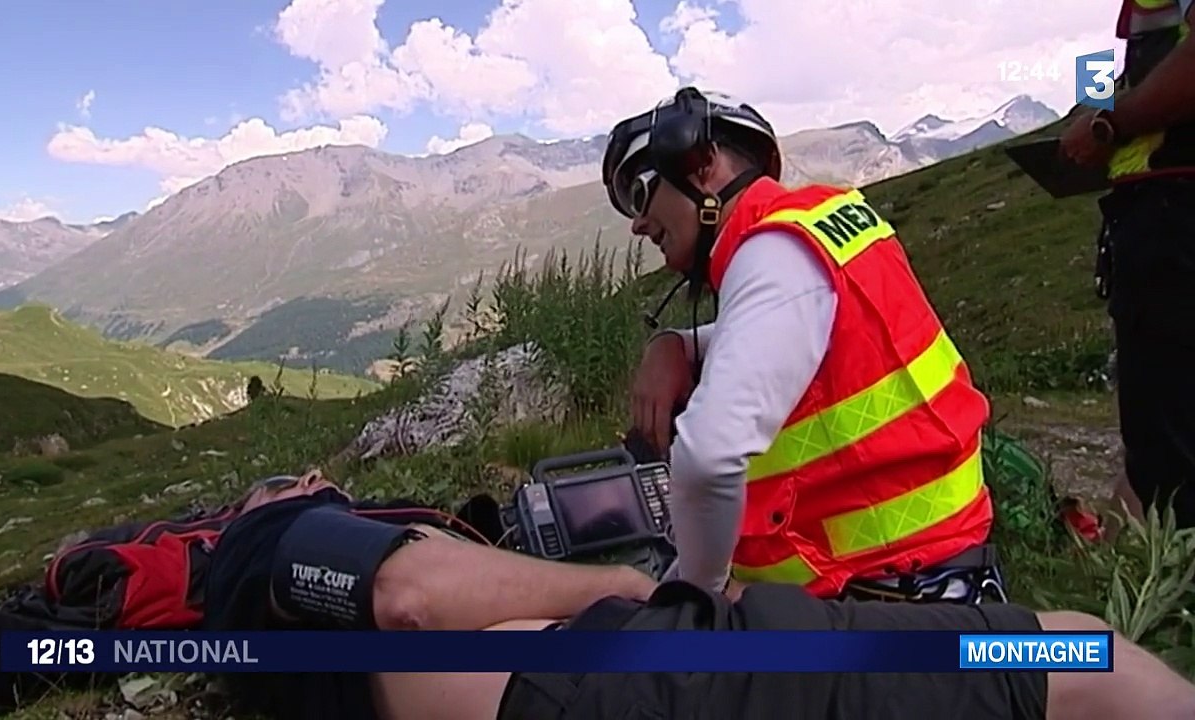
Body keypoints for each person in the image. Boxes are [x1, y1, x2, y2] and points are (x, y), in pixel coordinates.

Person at [203, 472, 1195, 720]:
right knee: (1091, 665)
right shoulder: (272, 538)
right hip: (618, 683)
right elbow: (409, 596)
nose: (304, 482)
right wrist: (628, 582)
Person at [601, 87, 996, 601]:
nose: (637, 224)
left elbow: (707, 456)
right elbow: (800, 335)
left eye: (639, 195)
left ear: (701, 164)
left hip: (889, 597)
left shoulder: (771, 253)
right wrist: (675, 345)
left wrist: (699, 593)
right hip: (937, 568)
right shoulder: (813, 229)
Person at [1058, 0, 1195, 530]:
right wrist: (1091, 107)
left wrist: (1106, 127)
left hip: (1173, 217)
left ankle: (1176, 600)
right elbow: (1144, 64)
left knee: (1171, 443)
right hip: (1152, 212)